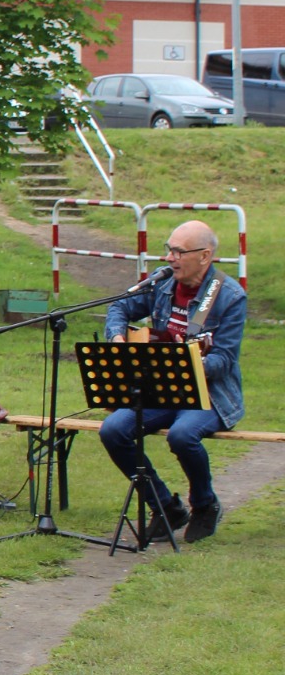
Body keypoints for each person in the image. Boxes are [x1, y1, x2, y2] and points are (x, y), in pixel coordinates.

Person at [98, 220, 245, 543]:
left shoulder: (229, 296)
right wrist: (118, 336)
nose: (169, 258)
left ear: (205, 256)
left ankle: (205, 505)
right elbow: (119, 306)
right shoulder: (161, 285)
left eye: (179, 251)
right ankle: (165, 506)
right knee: (113, 430)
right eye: (168, 249)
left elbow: (223, 361)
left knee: (182, 436)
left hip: (210, 395)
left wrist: (182, 364)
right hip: (161, 391)